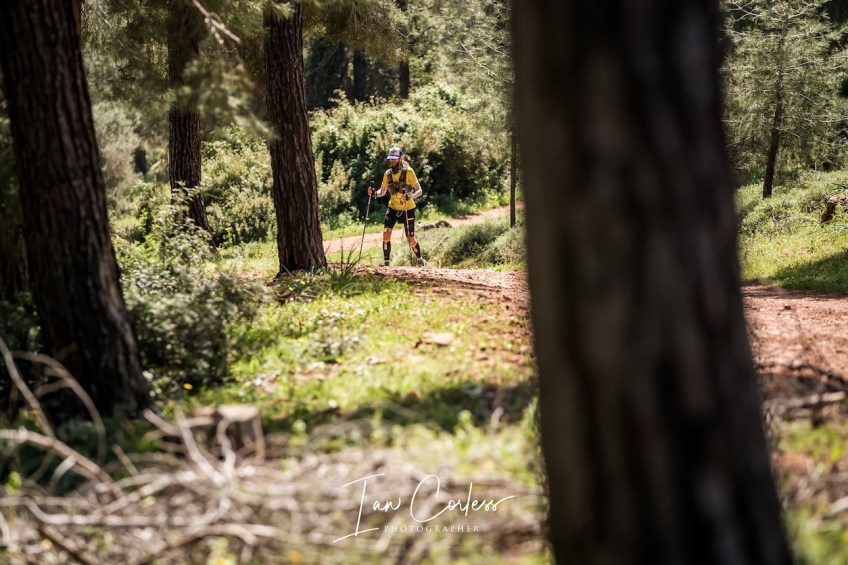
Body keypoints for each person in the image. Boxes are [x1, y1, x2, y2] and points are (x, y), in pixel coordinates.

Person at [368, 146, 427, 267]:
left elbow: (419, 191)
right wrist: (374, 194)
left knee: (410, 239)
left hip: (408, 209)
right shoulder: (387, 174)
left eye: (394, 158)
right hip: (393, 208)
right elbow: (382, 191)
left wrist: (410, 196)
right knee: (386, 233)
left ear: (400, 158)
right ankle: (386, 265)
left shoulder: (409, 171)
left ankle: (420, 260)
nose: (392, 161)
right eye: (391, 159)